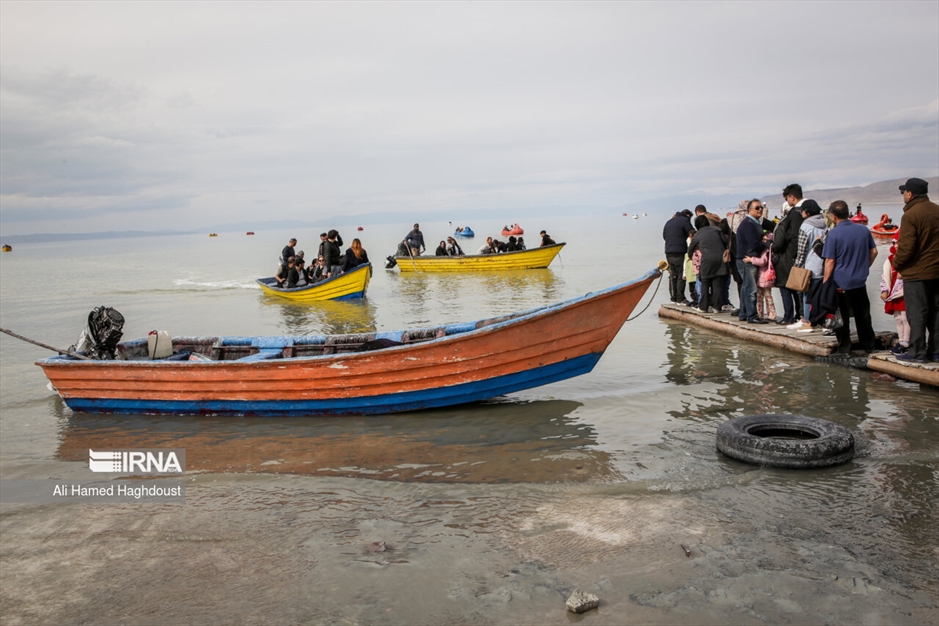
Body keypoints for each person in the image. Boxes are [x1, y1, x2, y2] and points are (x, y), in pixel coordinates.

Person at [821, 200, 878, 355]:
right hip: (860, 280)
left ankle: (845, 347)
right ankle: (869, 345)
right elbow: (874, 252)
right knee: (863, 315)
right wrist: (865, 267)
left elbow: (830, 260)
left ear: (833, 216)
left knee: (842, 316)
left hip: (841, 282)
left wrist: (826, 282)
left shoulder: (833, 234)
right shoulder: (863, 230)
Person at [892, 177, 939, 362]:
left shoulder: (911, 215)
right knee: (936, 313)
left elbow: (906, 248)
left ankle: (917, 352)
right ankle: (935, 351)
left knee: (917, 313)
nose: (903, 195)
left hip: (916, 273)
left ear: (910, 194)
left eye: (904, 192)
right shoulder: (936, 210)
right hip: (936, 271)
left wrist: (896, 264)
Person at [790, 200, 827, 330]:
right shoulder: (824, 224)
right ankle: (821, 321)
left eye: (802, 210)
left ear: (807, 212)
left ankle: (807, 321)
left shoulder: (805, 226)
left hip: (810, 266)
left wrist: (797, 267)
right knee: (822, 296)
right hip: (824, 265)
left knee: (807, 296)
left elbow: (802, 250)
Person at [773, 188, 807, 325]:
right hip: (793, 257)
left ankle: (788, 316)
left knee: (785, 287)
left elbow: (779, 242)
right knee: (795, 289)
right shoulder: (802, 216)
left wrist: (771, 245)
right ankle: (799, 314)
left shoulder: (785, 222)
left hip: (785, 259)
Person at [735, 199, 768, 323]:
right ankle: (752, 316)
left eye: (761, 208)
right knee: (751, 289)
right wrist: (766, 244)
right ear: (749, 210)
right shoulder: (749, 224)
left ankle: (744, 313)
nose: (760, 210)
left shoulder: (754, 223)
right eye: (757, 208)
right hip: (747, 260)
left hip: (745, 258)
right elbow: (752, 244)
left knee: (745, 287)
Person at [687, 220, 728, 313]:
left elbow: (691, 248)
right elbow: (726, 242)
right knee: (717, 284)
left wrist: (690, 256)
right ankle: (717, 307)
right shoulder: (717, 230)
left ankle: (703, 307)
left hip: (707, 261)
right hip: (720, 259)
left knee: (705, 283)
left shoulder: (698, 234)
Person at [881, 234, 909, 355]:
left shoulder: (910, 258)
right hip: (894, 292)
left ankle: (907, 342)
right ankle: (901, 340)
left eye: (898, 243)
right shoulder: (890, 259)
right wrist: (884, 290)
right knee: (897, 317)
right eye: (894, 243)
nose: (896, 246)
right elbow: (885, 276)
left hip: (905, 292)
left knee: (906, 317)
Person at [663, 210, 696, 305]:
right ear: (688, 215)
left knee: (673, 275)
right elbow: (692, 234)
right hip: (680, 251)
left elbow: (664, 236)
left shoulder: (669, 222)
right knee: (681, 274)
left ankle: (673, 297)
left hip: (669, 252)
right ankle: (680, 298)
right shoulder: (685, 221)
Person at [746, 243, 778, 322]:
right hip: (764, 279)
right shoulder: (769, 252)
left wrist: (751, 259)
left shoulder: (765, 252)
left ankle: (767, 314)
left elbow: (762, 262)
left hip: (763, 278)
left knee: (764, 297)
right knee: (764, 297)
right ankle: (765, 313)